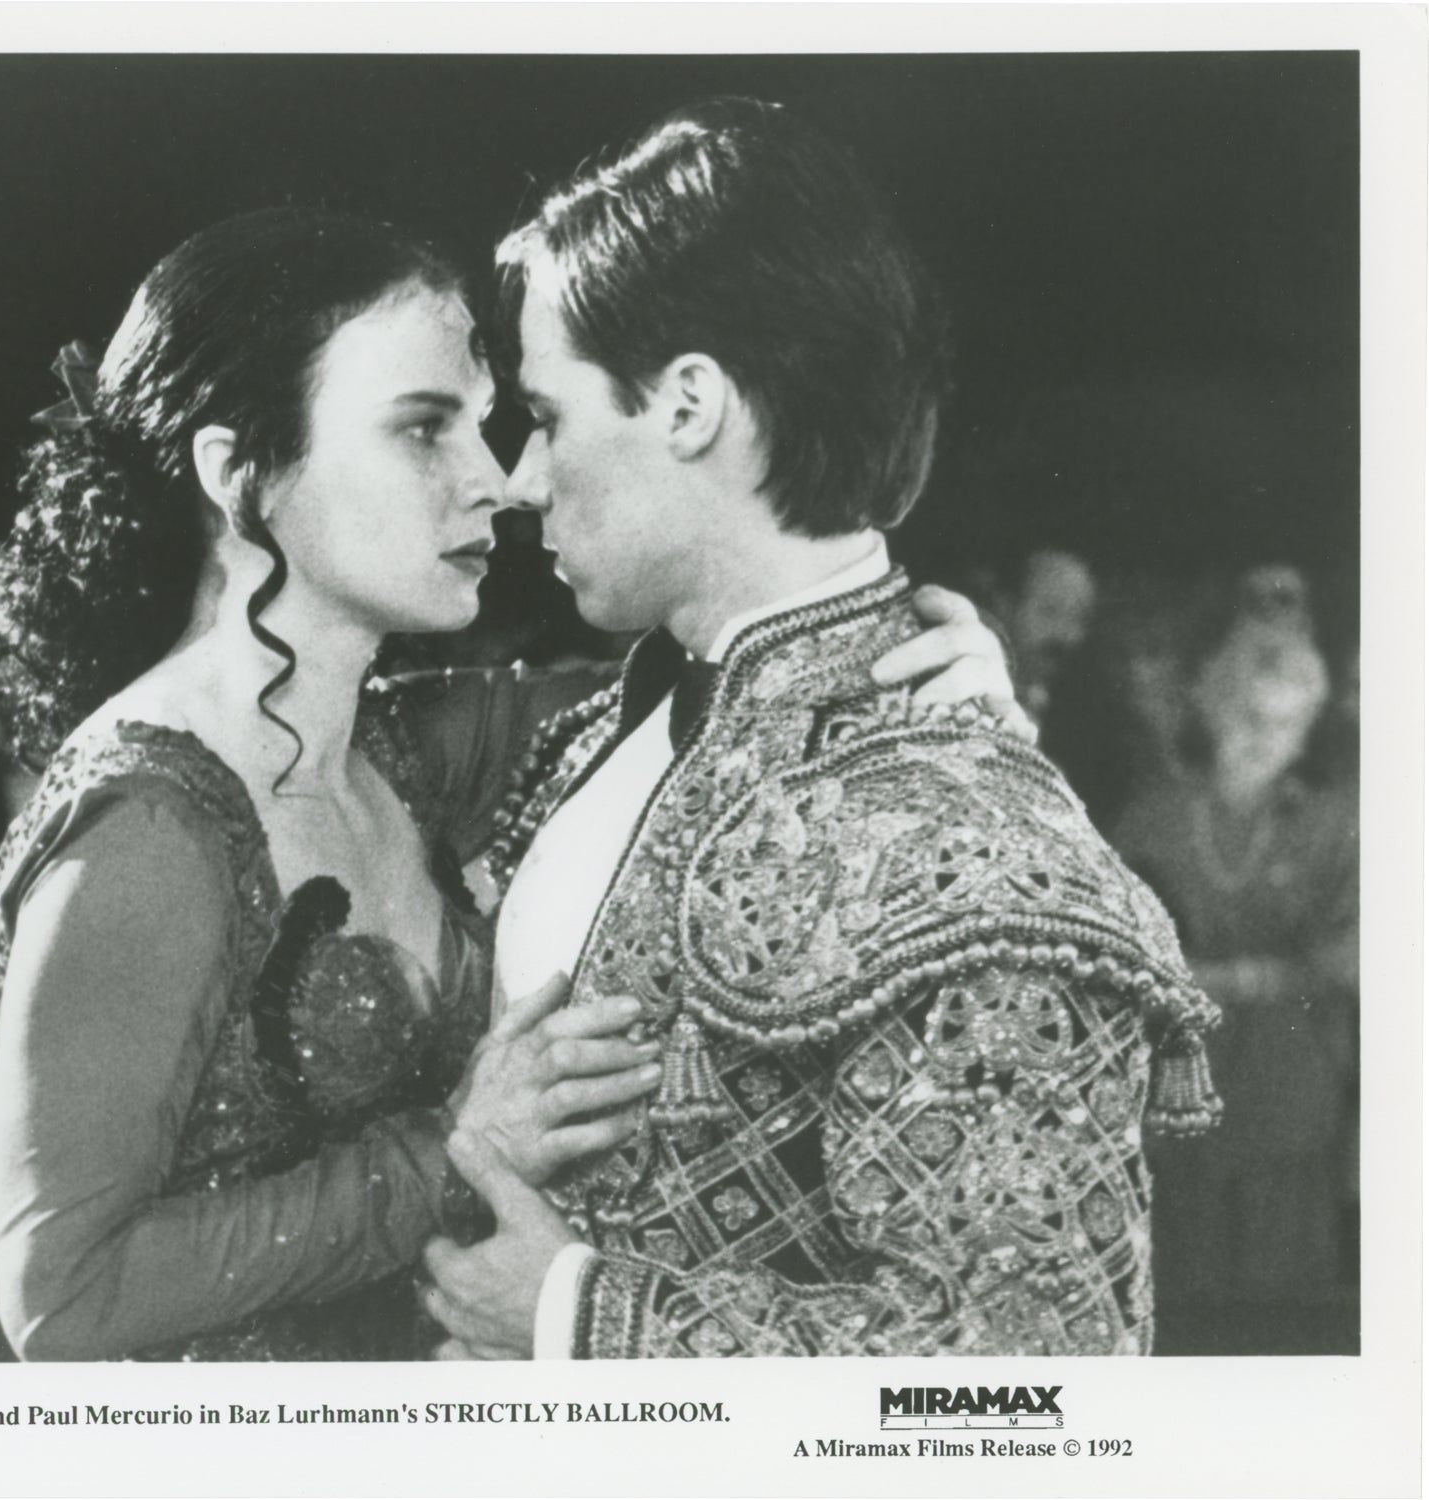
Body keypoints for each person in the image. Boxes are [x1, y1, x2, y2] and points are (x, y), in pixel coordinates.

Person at [0, 206, 1021, 1361]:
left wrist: (919, 658)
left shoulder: (405, 747)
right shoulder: (145, 825)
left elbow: (741, 672)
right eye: (424, 430)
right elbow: (59, 1297)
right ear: (237, 474)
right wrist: (457, 1145)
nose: (496, 481)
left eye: (487, 424)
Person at [421, 98, 1218, 1360]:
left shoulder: (972, 836)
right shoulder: (619, 721)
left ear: (689, 405)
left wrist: (579, 1315)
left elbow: (1043, 1361)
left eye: (550, 417)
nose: (519, 481)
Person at [1113, 617, 1357, 1353]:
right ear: (1212, 709)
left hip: (1288, 1093)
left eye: (1287, 724)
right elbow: (1112, 953)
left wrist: (1219, 978)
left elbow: (1352, 958)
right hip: (1172, 1099)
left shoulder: (1333, 826)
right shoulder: (1152, 818)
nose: (1265, 738)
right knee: (1175, 1303)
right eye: (1249, 716)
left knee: (1282, 1311)